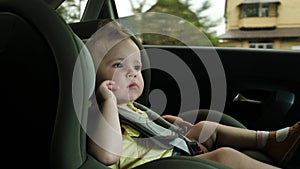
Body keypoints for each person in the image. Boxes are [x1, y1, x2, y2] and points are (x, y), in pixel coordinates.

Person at [85, 18, 300, 169]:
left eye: (137, 67)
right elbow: (107, 154)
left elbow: (140, 125)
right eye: (118, 65)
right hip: (163, 164)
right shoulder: (98, 111)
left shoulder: (128, 106)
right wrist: (108, 102)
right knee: (225, 157)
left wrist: (165, 123)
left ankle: (270, 141)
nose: (132, 73)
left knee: (206, 127)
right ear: (91, 76)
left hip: (170, 150)